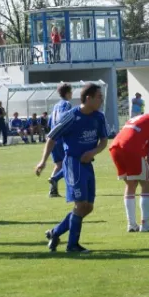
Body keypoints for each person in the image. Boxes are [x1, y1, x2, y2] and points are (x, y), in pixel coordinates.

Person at [35, 83, 108, 253]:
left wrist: (93, 152)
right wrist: (43, 161)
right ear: (88, 98)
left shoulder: (99, 117)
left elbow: (104, 141)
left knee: (88, 207)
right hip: (73, 164)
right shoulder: (71, 116)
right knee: (80, 204)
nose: (101, 100)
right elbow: (52, 137)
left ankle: (55, 232)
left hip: (88, 164)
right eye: (99, 97)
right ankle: (72, 245)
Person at [109, 113, 149, 232]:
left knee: (131, 184)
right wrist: (148, 169)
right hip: (130, 147)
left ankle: (131, 225)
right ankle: (145, 225)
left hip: (115, 146)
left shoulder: (143, 118)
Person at [47, 83, 73, 198]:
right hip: (61, 138)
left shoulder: (55, 106)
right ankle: (58, 181)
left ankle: (53, 190)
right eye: (71, 92)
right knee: (69, 163)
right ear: (67, 93)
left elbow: (49, 122)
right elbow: (64, 118)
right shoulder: (67, 104)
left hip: (53, 137)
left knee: (59, 165)